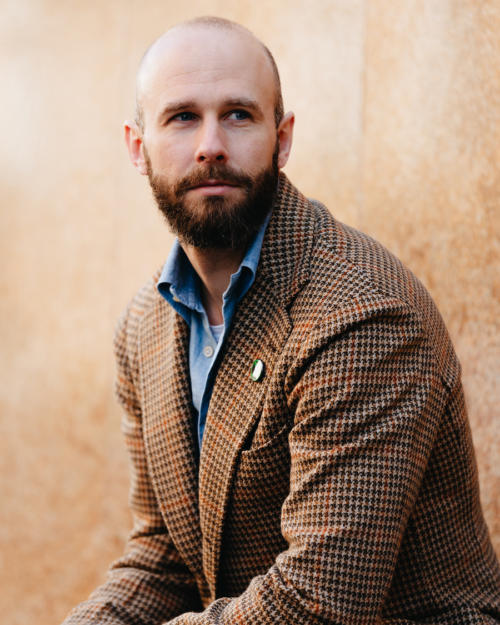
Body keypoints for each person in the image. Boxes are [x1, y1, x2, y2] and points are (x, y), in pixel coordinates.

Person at [62, 16, 500, 625]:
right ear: (138, 147)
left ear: (282, 137)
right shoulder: (144, 325)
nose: (211, 144)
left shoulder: (360, 311)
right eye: (182, 116)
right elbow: (163, 553)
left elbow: (319, 603)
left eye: (238, 115)